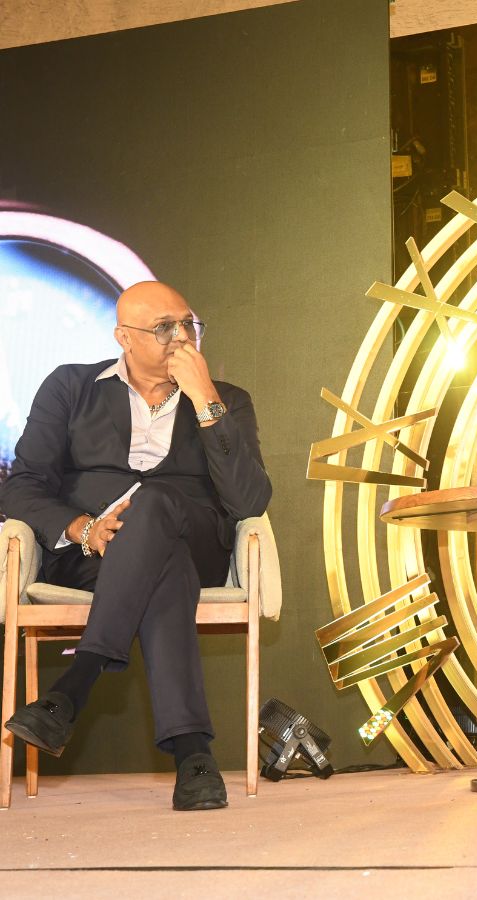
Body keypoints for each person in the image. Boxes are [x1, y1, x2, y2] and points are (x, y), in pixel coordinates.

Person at [2, 281, 271, 811]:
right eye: (164, 327)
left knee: (155, 501)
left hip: (197, 541)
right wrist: (82, 528)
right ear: (124, 337)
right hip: (94, 556)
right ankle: (193, 755)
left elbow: (248, 499)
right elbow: (22, 485)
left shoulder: (228, 399)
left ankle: (75, 685)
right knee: (164, 571)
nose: (181, 337)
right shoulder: (71, 387)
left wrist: (206, 401)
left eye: (188, 324)